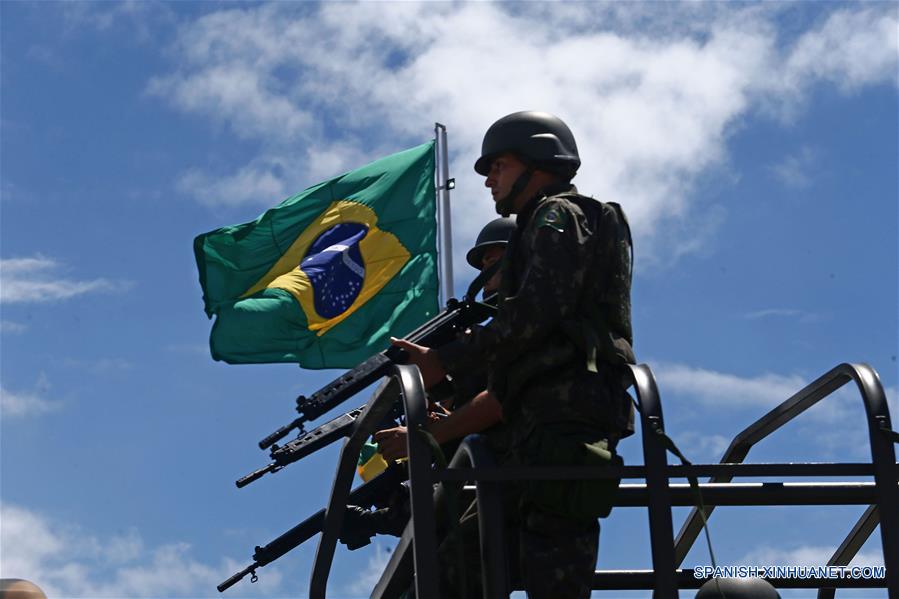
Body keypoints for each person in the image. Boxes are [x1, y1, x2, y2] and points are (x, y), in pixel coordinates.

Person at [395, 111, 635, 599]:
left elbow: (533, 316)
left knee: (554, 579)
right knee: (456, 568)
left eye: (498, 165)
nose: (488, 179)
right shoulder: (545, 222)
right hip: (535, 425)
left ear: (538, 161)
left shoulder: (557, 217)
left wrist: (450, 360)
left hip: (562, 424)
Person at [338, 216, 516, 546]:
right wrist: (440, 407)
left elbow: (500, 401)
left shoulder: (519, 328)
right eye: (484, 262)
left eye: (496, 258)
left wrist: (425, 434)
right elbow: (474, 397)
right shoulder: (499, 331)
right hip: (495, 468)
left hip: (514, 471)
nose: (487, 272)